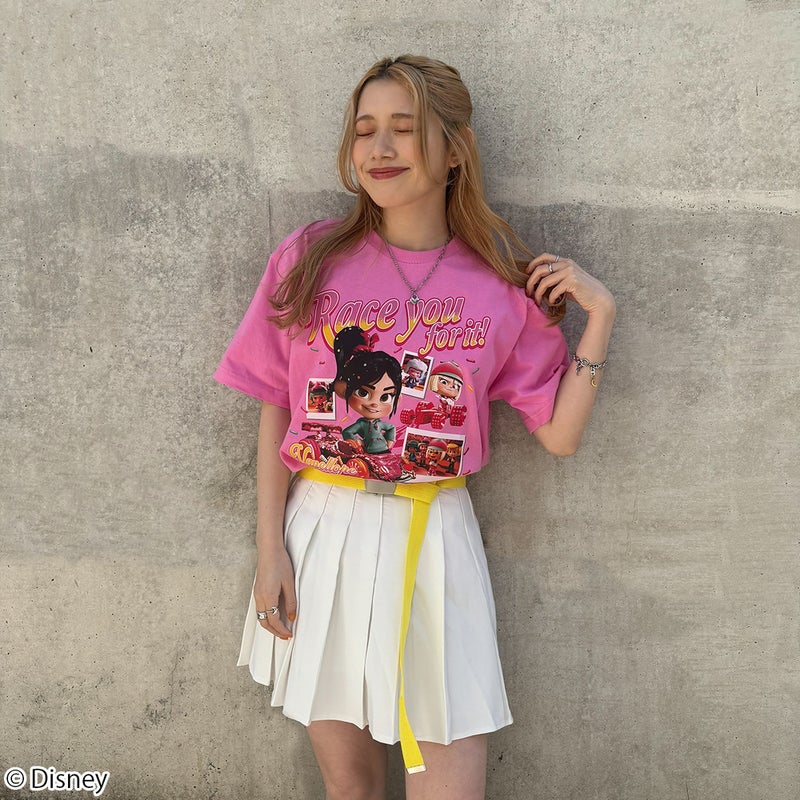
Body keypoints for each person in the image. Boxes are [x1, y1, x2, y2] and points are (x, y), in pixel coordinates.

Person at [214, 55, 615, 800]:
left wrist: (601, 320)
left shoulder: (501, 283)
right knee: (353, 790)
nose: (379, 148)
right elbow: (276, 403)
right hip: (320, 534)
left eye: (404, 128)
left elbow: (559, 436)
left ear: (455, 148)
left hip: (436, 541)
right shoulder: (309, 258)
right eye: (365, 129)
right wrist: (270, 550)